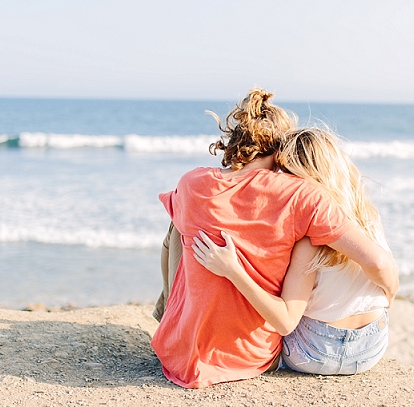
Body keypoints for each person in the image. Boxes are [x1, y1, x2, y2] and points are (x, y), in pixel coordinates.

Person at [150, 88, 398, 388]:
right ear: (280, 149)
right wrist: (389, 295)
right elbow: (378, 262)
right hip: (265, 357)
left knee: (179, 222)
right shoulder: (305, 197)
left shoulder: (193, 182)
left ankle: (168, 318)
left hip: (181, 358)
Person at [192, 127, 392, 375]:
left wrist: (233, 270)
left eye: (284, 174)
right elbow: (381, 264)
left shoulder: (309, 237)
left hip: (316, 351)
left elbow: (286, 322)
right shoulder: (367, 217)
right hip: (372, 345)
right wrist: (389, 295)